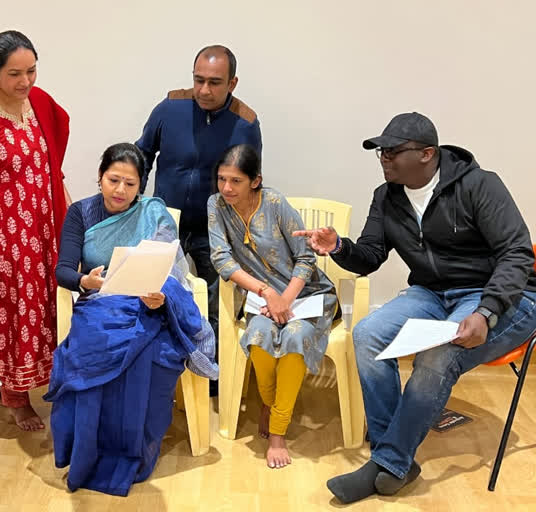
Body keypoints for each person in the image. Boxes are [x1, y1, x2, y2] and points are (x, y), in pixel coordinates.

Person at [294, 112, 536, 503]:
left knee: (438, 357)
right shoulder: (386, 197)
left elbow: (516, 254)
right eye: (380, 152)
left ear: (427, 154)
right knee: (367, 334)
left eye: (392, 151)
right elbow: (370, 255)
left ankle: (388, 461)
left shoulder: (479, 186)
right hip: (432, 293)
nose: (384, 158)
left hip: (496, 295)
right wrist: (339, 246)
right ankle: (395, 458)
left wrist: (487, 311)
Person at [46, 143, 217, 496]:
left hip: (146, 305)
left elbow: (173, 270)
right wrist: (84, 281)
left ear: (141, 186)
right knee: (90, 352)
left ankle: (135, 452)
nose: (120, 191)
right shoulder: (81, 213)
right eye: (113, 180)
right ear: (100, 177)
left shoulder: (153, 213)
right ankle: (89, 455)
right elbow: (63, 269)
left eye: (130, 184)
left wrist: (160, 296)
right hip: (99, 303)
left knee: (154, 357)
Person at [0, 30, 71, 431]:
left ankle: (32, 382)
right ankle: (14, 396)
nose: (25, 82)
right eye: (14, 74)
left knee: (41, 307)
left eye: (31, 71)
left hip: (40, 227)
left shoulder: (35, 104)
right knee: (10, 313)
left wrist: (68, 213)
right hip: (3, 233)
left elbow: (50, 166)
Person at [207, 144, 337, 469]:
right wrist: (267, 293)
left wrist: (285, 298)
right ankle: (270, 403)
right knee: (261, 335)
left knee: (293, 335)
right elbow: (221, 259)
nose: (226, 188)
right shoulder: (216, 206)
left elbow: (306, 257)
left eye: (235, 180)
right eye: (222, 179)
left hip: (306, 295)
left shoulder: (275, 203)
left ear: (255, 180)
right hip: (261, 300)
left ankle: (278, 432)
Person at [135, 45, 262, 369]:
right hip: (167, 221)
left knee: (217, 304)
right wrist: (137, 203)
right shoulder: (169, 107)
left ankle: (213, 378)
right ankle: (160, 369)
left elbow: (249, 180)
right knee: (153, 296)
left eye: (214, 82)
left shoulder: (245, 123)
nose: (204, 90)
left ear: (232, 83)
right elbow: (142, 155)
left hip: (215, 227)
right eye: (198, 80)